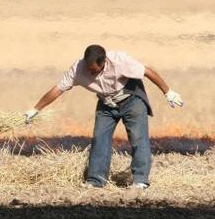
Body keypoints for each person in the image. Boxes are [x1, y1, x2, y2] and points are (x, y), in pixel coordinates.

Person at [24, 44, 184, 188]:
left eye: (94, 70)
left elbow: (148, 72)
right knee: (99, 138)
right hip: (106, 102)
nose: (90, 73)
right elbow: (58, 89)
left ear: (104, 62)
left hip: (131, 98)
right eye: (88, 68)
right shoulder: (78, 68)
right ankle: (96, 180)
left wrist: (168, 92)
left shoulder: (120, 61)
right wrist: (35, 109)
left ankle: (140, 180)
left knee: (138, 138)